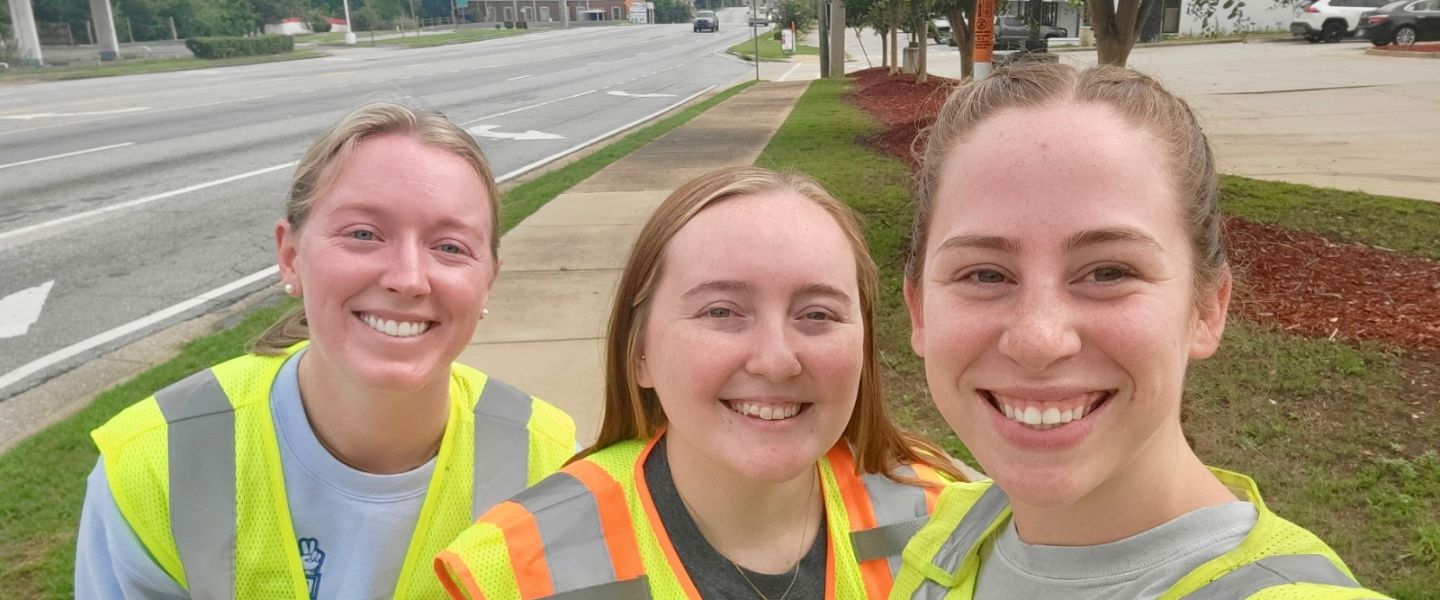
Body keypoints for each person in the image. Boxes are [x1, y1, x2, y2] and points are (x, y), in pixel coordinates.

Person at [890, 63, 1390, 599]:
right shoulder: (950, 528)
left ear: (1206, 308)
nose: (1039, 339)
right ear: (919, 312)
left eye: (1110, 272)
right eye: (985, 274)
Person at [74, 102, 578, 599]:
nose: (407, 278)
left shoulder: (552, 470)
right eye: (363, 234)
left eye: (449, 247)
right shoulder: (157, 464)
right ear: (290, 256)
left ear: (488, 280)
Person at [435, 166, 966, 599]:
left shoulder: (956, 523)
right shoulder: (509, 571)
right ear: (639, 351)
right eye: (721, 311)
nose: (776, 361)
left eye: (818, 314)